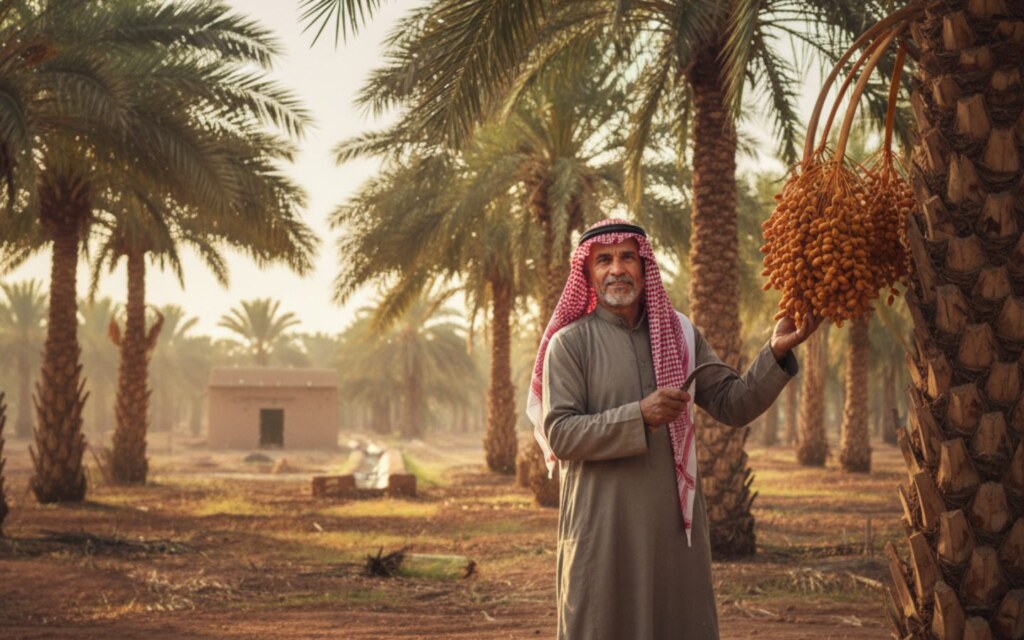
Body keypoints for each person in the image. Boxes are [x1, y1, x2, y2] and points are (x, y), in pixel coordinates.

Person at [525, 218, 818, 640]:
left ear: (644, 266)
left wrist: (774, 353)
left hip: (671, 531)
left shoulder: (678, 334)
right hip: (602, 528)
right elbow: (563, 434)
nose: (616, 269)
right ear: (587, 273)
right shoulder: (570, 343)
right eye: (603, 260)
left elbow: (733, 404)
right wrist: (638, 415)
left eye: (628, 257)